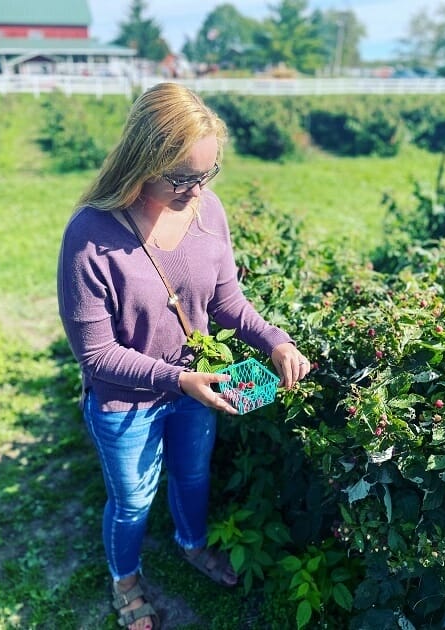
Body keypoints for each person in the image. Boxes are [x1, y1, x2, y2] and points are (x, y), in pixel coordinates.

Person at [57, 82, 310, 630]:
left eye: (206, 175)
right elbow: (96, 355)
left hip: (198, 386)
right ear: (141, 162)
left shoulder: (207, 210)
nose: (196, 192)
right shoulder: (90, 237)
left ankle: (191, 543)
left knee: (193, 477)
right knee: (131, 501)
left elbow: (225, 300)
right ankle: (125, 579)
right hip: (126, 404)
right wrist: (179, 380)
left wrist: (275, 340)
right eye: (181, 179)